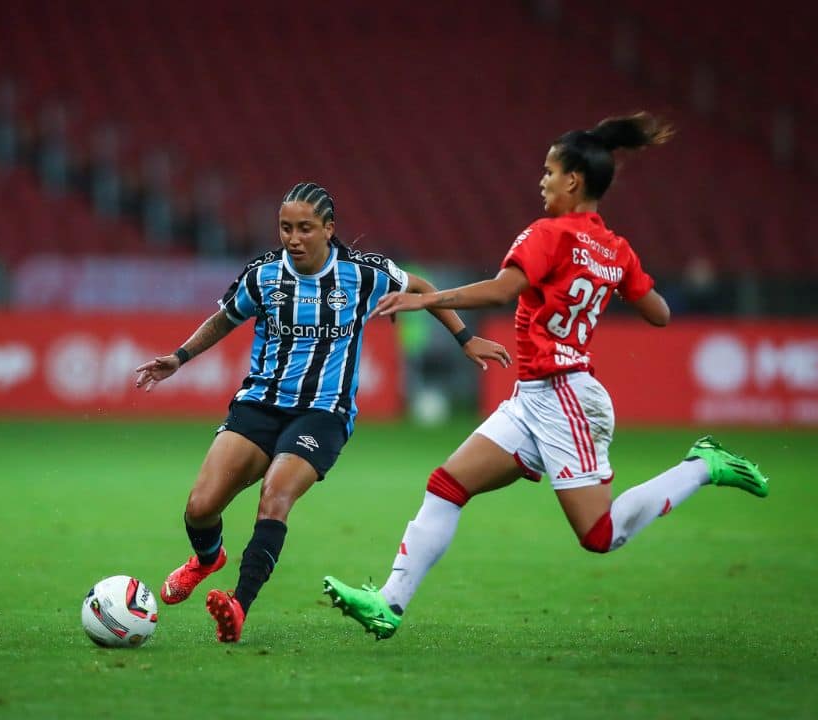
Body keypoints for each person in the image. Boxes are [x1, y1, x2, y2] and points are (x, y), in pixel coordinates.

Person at [321, 113, 770, 640]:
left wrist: (428, 299)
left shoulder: (548, 234)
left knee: (600, 535)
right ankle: (388, 603)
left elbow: (500, 289)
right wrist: (612, 279)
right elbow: (661, 314)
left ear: (574, 181)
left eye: (550, 172)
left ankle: (701, 466)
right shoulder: (615, 249)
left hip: (567, 399)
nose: (542, 181)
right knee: (447, 485)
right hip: (532, 396)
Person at [133, 182, 511, 643]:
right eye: (286, 228)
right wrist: (179, 357)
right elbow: (224, 318)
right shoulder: (264, 275)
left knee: (276, 496)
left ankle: (238, 605)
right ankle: (207, 558)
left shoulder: (361, 273)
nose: (293, 238)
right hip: (259, 404)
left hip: (323, 415)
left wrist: (464, 338)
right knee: (200, 507)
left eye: (305, 228)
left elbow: (421, 286)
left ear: (329, 229)